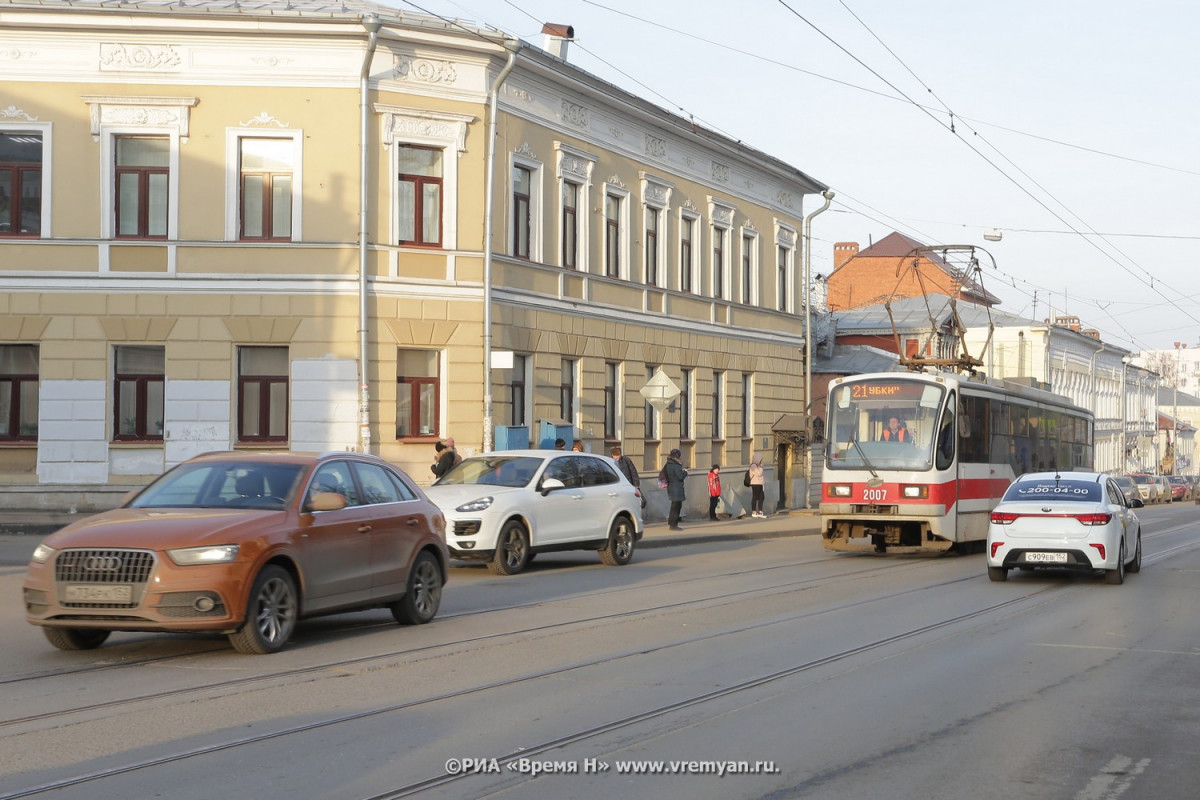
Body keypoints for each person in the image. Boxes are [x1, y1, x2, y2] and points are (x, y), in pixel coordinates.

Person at [663, 448, 687, 530]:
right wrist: (685, 472)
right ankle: (673, 524)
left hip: (671, 487)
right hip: (677, 488)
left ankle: (671, 522)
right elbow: (680, 477)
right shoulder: (676, 465)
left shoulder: (668, 464)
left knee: (674, 505)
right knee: (677, 506)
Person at [748, 453, 766, 518]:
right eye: (760, 459)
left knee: (762, 497)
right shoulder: (753, 466)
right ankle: (753, 511)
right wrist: (761, 468)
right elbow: (759, 473)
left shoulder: (759, 465)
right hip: (755, 483)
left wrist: (760, 466)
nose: (761, 461)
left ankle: (760, 511)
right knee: (755, 497)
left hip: (760, 483)